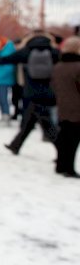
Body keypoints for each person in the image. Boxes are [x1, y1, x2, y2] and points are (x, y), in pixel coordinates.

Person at [0, 30, 60, 155]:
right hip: (47, 92)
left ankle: (63, 151)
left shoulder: (27, 51)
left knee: (46, 125)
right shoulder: (54, 52)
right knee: (29, 121)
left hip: (30, 92)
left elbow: (7, 59)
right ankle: (15, 145)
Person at [52, 36, 80, 178]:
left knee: (64, 137)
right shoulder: (77, 67)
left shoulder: (58, 66)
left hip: (62, 106)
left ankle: (60, 165)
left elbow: (53, 86)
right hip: (77, 108)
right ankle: (69, 168)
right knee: (73, 140)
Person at [0, 37, 17, 125]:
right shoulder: (2, 52)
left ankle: (6, 116)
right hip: (0, 79)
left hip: (3, 79)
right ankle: (4, 114)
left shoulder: (7, 52)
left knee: (3, 98)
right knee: (0, 98)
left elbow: (9, 67)